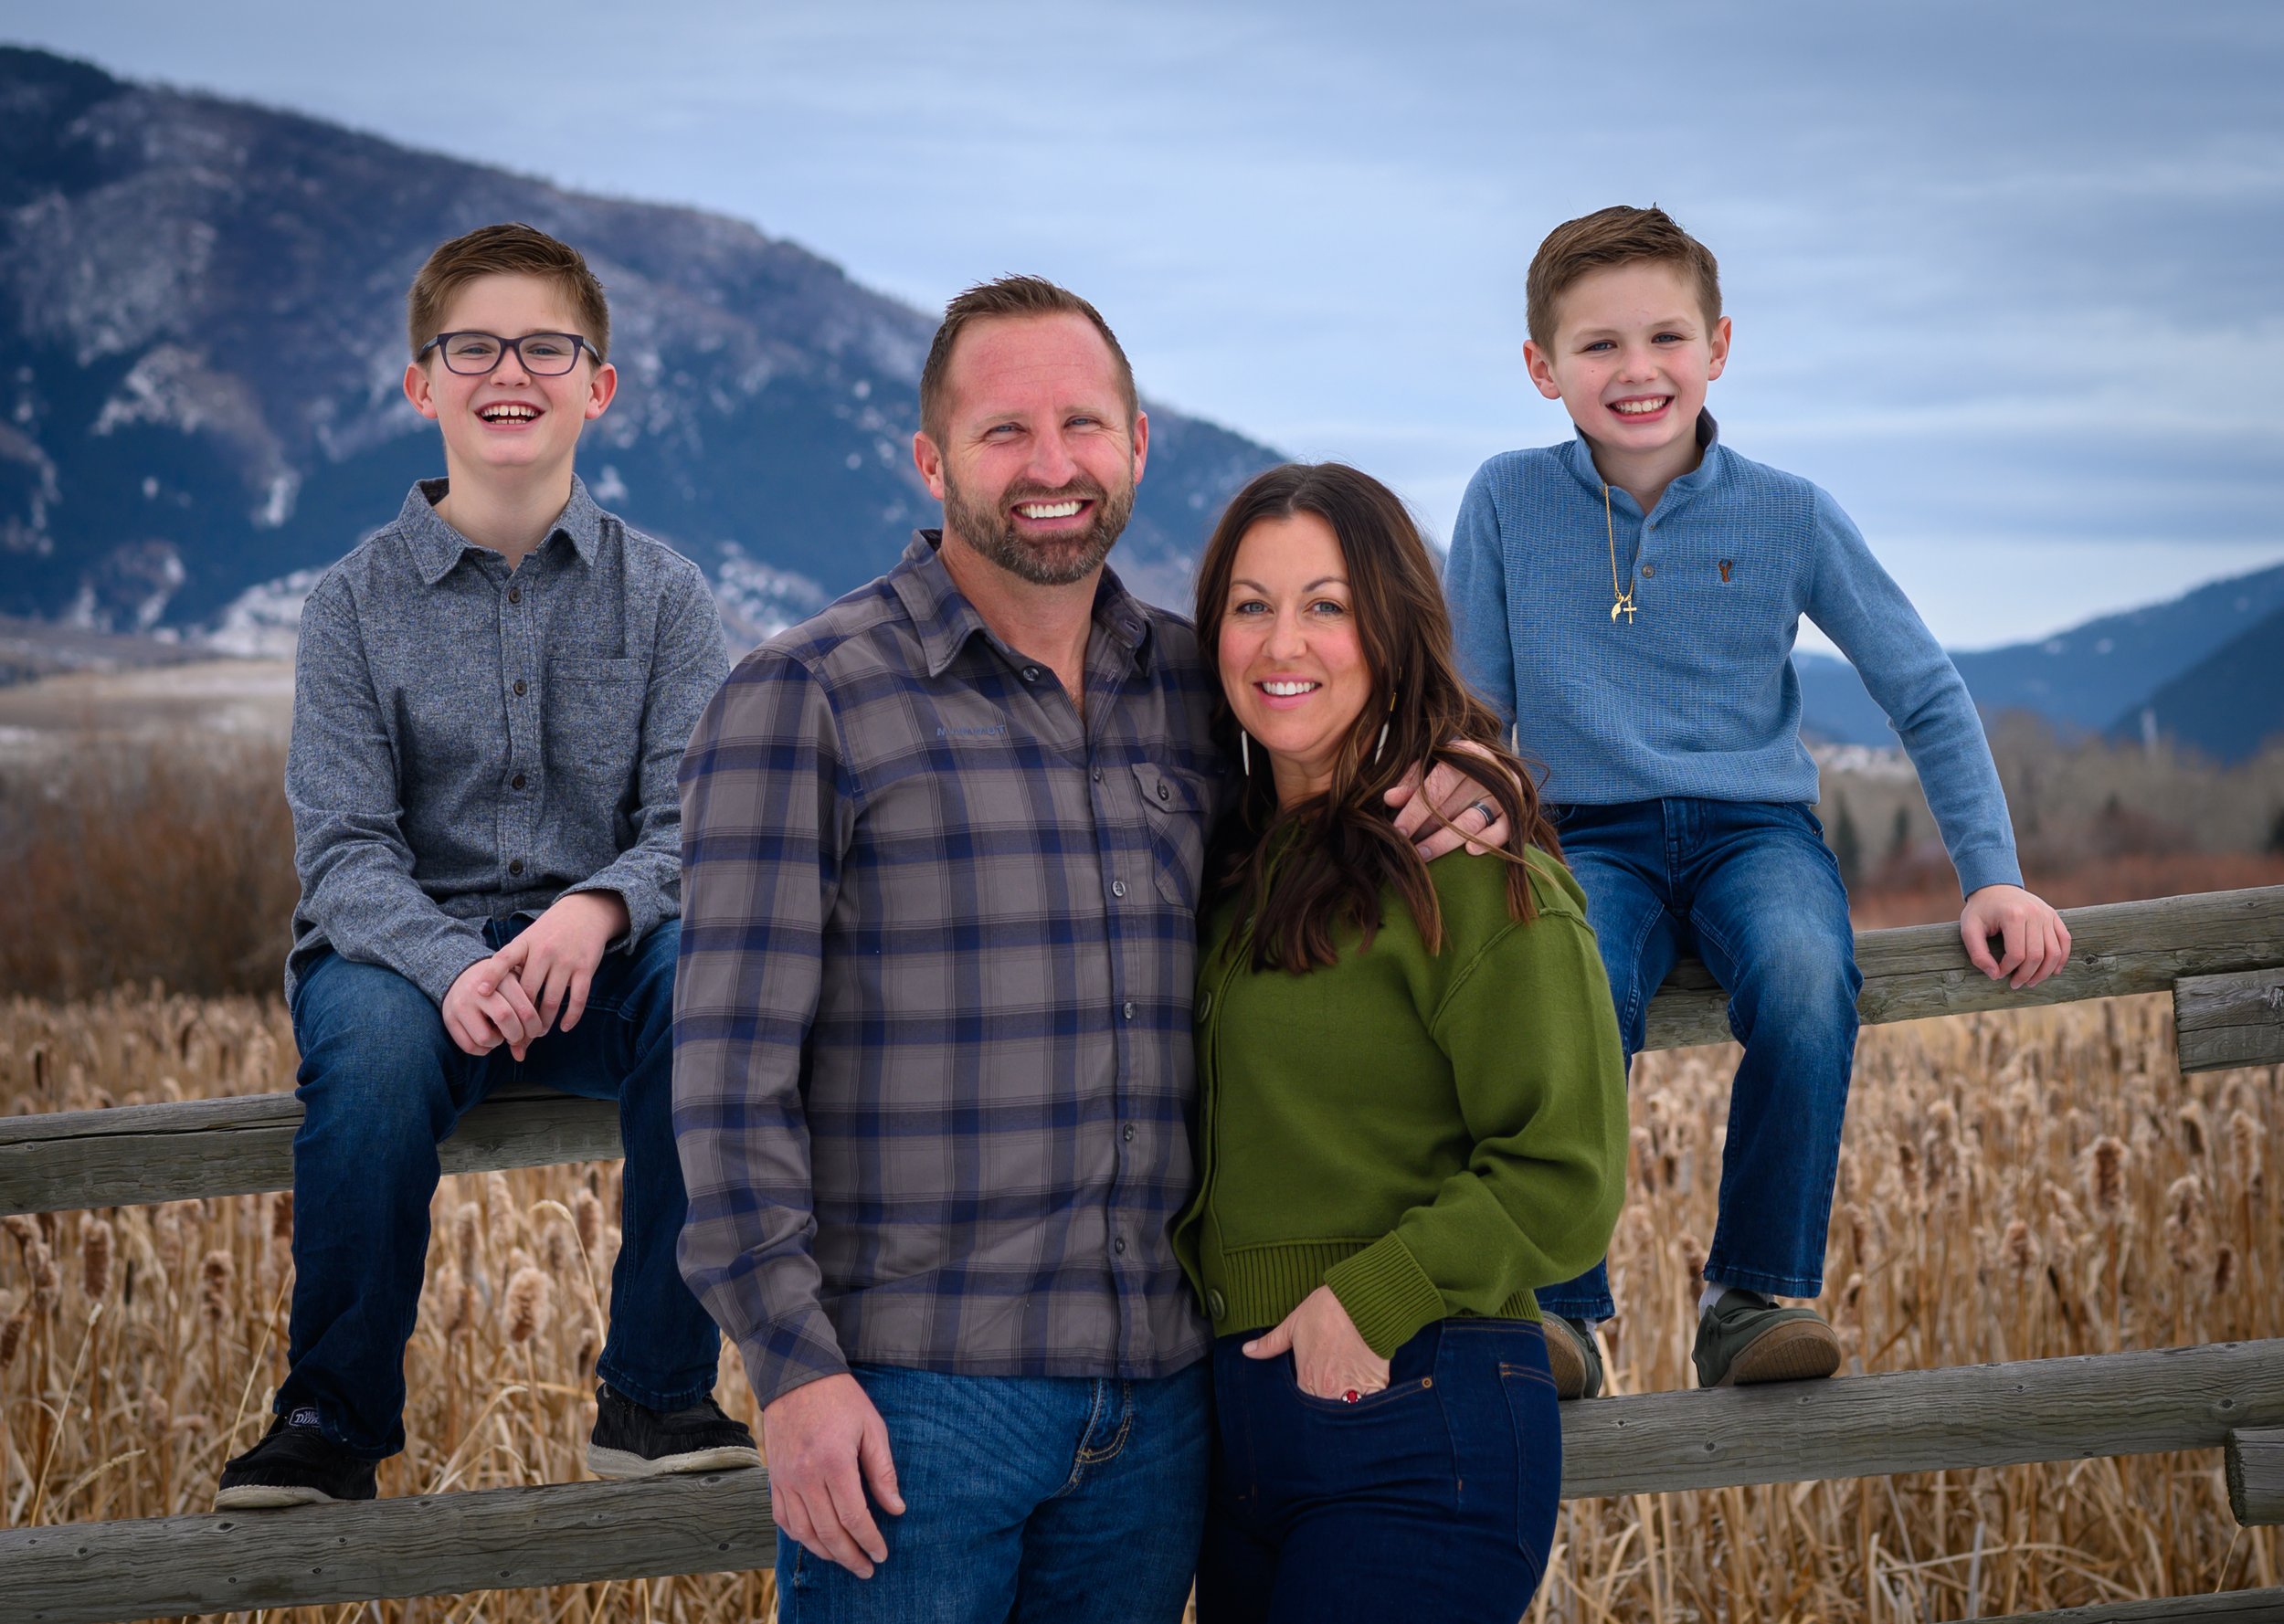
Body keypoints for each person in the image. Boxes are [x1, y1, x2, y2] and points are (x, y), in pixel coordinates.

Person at [673, 276, 1508, 1622]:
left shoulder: (1202, 687)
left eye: (1084, 424)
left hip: (1166, 1413)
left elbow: (1350, 770)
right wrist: (791, 1369)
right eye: (1006, 431)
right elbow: (726, 1078)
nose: (1051, 466)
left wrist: (1463, 770)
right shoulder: (807, 699)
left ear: (1136, 444)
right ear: (930, 459)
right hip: (914, 1407)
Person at [1444, 205, 2073, 1399]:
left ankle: (1751, 1299)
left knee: (1801, 975)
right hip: (1587, 833)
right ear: (1542, 368)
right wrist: (1473, 810)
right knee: (1570, 989)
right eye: (1598, 346)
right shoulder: (1506, 502)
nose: (1637, 370)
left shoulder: (1788, 511)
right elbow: (1475, 704)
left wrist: (1992, 870)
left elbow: (1925, 691)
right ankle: (1560, 1303)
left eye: (1666, 337)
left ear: (1718, 348)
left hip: (1755, 833)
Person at [217, 223, 756, 1508]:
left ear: (597, 384)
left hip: (606, 959)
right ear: (422, 382)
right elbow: (343, 848)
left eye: (545, 345)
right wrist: (452, 964)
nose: (508, 369)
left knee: (720, 982)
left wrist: (600, 904)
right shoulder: (349, 603)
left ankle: (657, 1393)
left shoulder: (669, 595)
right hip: (403, 959)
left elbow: (701, 821)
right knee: (377, 1054)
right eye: (473, 345)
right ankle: (331, 1418)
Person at [1174, 461, 1629, 1622]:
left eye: (1327, 604)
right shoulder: (1226, 867)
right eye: (1250, 603)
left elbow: (1565, 1166)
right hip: (1236, 1443)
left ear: (1391, 628)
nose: (1285, 640)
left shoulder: (1471, 871)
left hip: (1420, 1410)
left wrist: (1372, 1296)